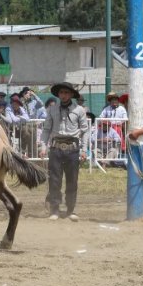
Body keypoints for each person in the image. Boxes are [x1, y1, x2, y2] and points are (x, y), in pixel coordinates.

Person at [39, 82, 89, 222]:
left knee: (72, 181)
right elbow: (46, 130)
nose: (64, 95)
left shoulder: (79, 110)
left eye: (67, 92)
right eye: (61, 92)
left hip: (72, 150)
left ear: (72, 94)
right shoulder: (52, 109)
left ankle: (70, 210)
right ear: (58, 94)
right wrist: (43, 147)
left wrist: (84, 150)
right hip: (56, 149)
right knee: (54, 180)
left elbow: (85, 131)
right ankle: (54, 209)